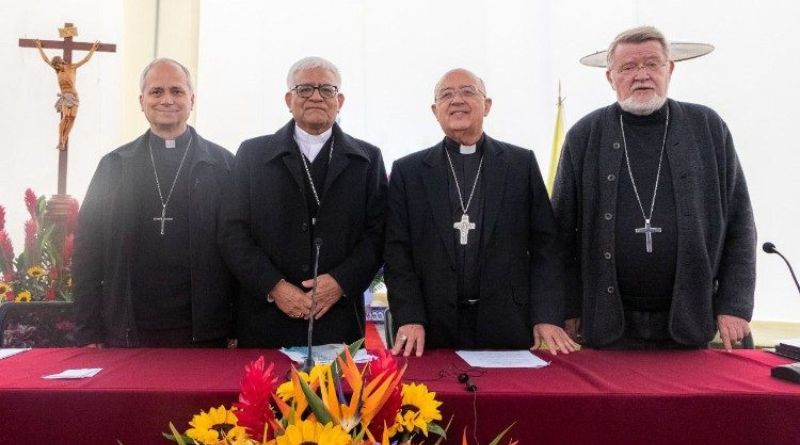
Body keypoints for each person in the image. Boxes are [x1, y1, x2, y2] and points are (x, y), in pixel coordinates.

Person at [551, 26, 756, 350]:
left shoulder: (708, 128)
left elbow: (740, 223)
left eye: (651, 64)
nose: (641, 75)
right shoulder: (584, 136)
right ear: (610, 77)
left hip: (691, 322)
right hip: (606, 324)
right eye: (628, 67)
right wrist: (567, 307)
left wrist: (734, 304)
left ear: (669, 69)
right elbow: (559, 234)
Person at [384, 68, 578, 357]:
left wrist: (546, 315)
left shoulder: (520, 164)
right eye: (446, 95)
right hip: (431, 326)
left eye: (467, 92)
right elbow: (397, 252)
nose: (457, 100)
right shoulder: (408, 172)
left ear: (486, 105)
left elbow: (546, 247)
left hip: (507, 323)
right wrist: (410, 315)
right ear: (435, 111)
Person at [220, 56, 387, 348]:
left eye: (326, 89)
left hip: (337, 318)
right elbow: (232, 232)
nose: (316, 97)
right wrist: (274, 287)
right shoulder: (252, 155)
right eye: (305, 89)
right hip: (265, 318)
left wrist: (341, 282)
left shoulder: (367, 159)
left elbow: (379, 233)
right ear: (289, 99)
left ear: (339, 100)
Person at [72, 58, 236, 347]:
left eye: (177, 91)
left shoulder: (222, 165)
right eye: (156, 92)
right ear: (142, 101)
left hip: (205, 333)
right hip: (129, 330)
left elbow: (239, 249)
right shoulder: (114, 166)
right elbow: (87, 250)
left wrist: (237, 327)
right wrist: (88, 331)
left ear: (192, 99)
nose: (167, 100)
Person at [35, 39, 100, 150]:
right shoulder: (57, 71)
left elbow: (85, 60)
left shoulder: (72, 67)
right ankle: (60, 139)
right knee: (65, 117)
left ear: (61, 62)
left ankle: (64, 140)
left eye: (57, 65)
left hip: (74, 96)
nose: (56, 68)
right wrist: (39, 47)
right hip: (65, 96)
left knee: (72, 118)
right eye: (55, 66)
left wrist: (93, 49)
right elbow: (46, 60)